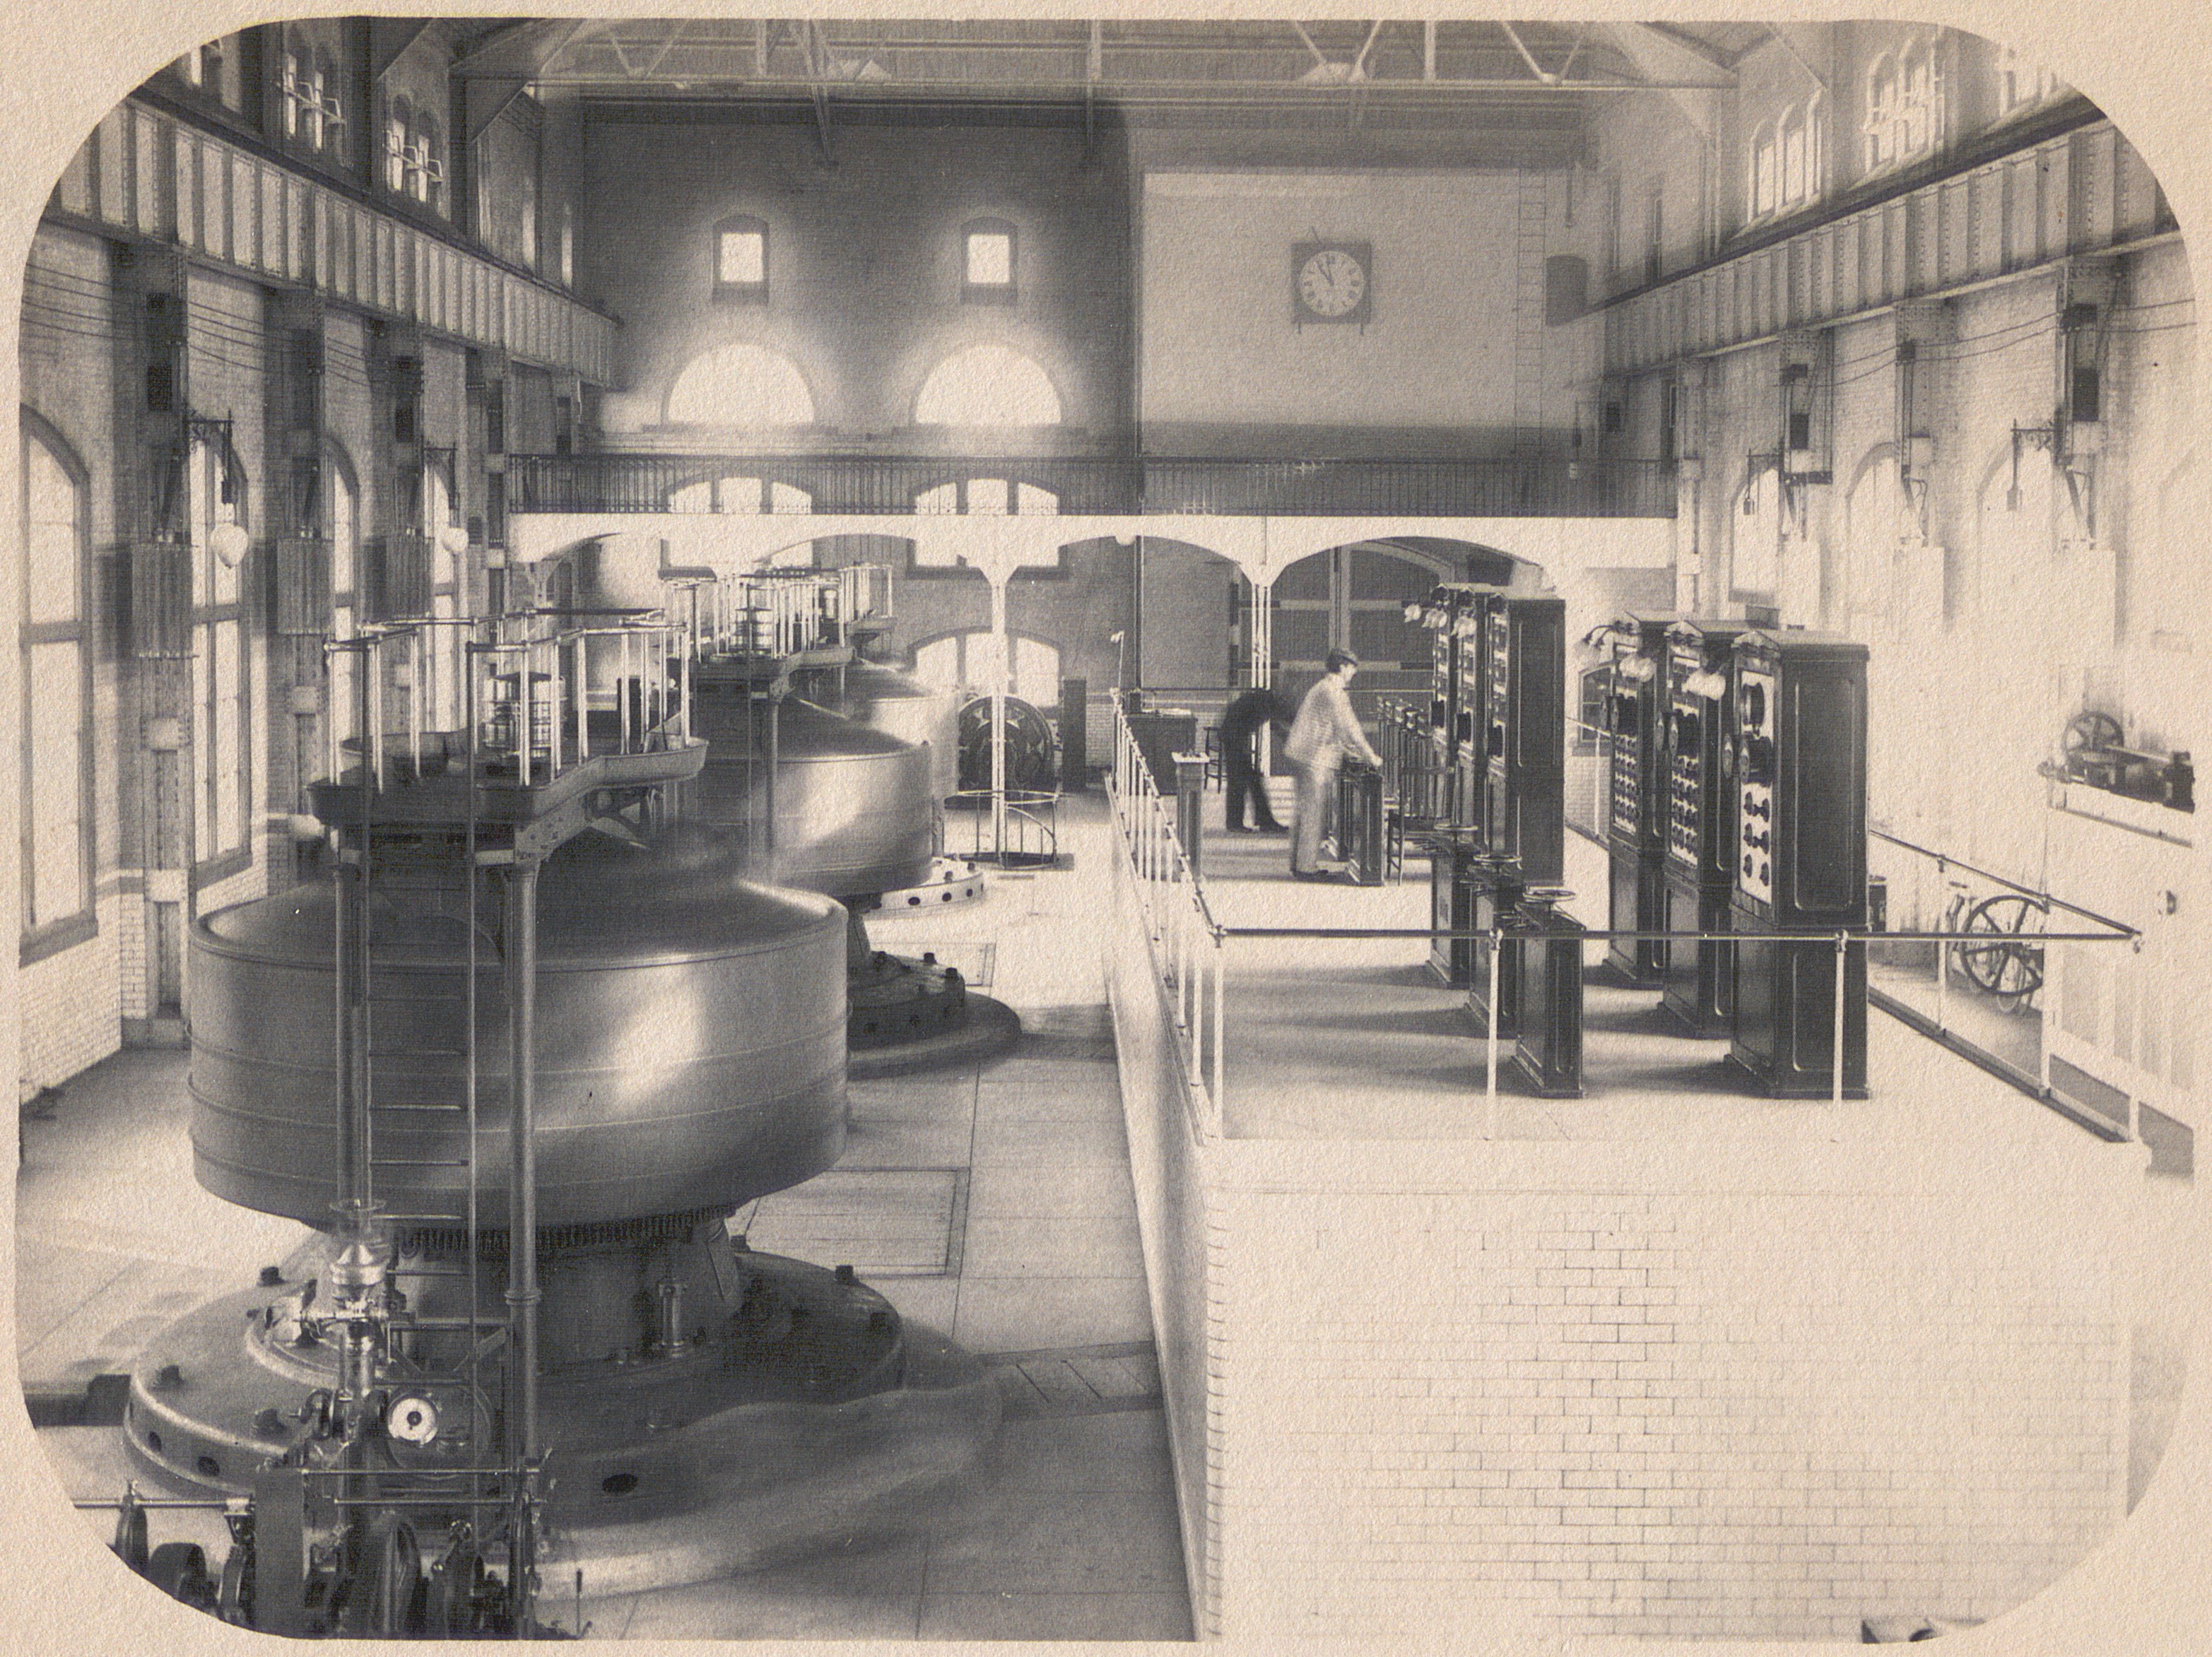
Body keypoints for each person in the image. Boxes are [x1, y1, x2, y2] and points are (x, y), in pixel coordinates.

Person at [1282, 648, 1384, 880]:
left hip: (1302, 754)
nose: (1353, 673)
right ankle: (1306, 869)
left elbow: (1338, 728)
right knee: (1313, 812)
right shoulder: (1333, 691)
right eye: (1352, 668)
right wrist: (1371, 757)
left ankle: (1298, 864)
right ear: (1343, 667)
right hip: (1312, 758)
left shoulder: (1323, 687)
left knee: (1304, 811)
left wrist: (1349, 749)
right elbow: (1350, 728)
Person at [1218, 685, 1294, 832]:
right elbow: (1280, 725)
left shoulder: (1266, 702)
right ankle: (1242, 824)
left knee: (1251, 781)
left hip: (1234, 736)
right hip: (1233, 737)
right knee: (1239, 782)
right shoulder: (1266, 703)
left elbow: (1278, 726)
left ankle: (1260, 821)